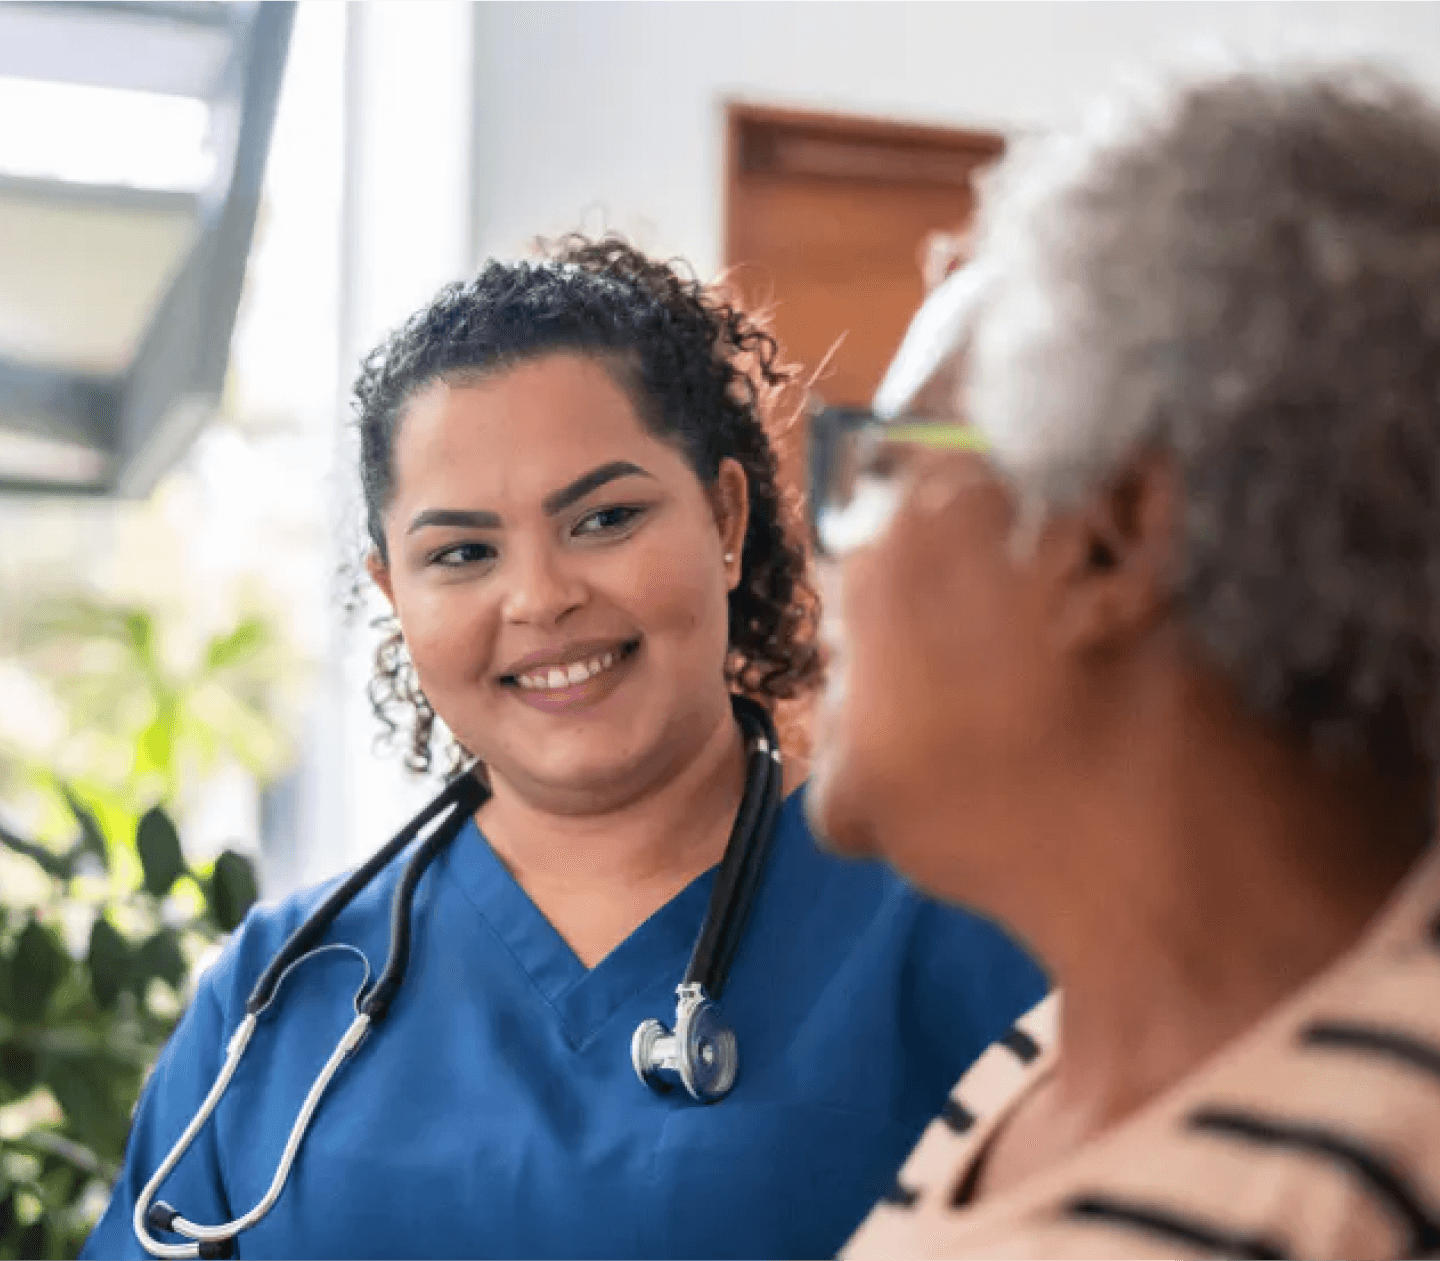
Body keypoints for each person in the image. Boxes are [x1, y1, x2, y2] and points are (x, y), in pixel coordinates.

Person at [82, 236, 1044, 1261]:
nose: (540, 595)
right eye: (462, 552)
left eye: (606, 517)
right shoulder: (282, 987)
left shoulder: (958, 923)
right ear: (393, 591)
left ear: (725, 517)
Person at [806, 54, 1440, 1261]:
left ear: (1103, 540)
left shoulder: (1386, 1180)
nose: (825, 556)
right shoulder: (1033, 1072)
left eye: (881, 468)